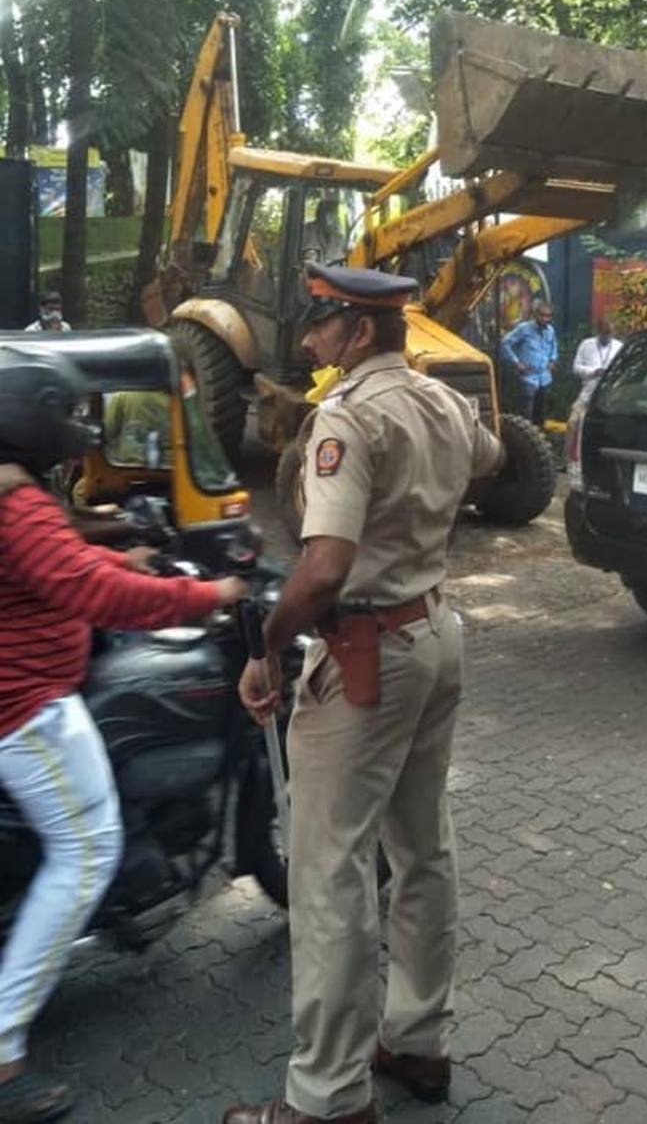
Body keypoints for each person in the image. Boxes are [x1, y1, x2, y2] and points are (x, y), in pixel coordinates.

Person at [223, 262, 504, 1124]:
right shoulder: (441, 401)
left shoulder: (346, 417)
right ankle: (418, 1039)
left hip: (366, 656)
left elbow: (325, 567)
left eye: (321, 323)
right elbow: (491, 461)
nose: (310, 340)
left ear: (360, 331)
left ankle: (327, 1095)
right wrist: (419, 513)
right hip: (435, 636)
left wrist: (270, 646)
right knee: (423, 849)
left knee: (328, 868)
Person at [0, 345, 245, 1124]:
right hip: (25, 706)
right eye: (66, 415)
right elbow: (88, 589)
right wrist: (206, 593)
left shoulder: (16, 491)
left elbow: (58, 562)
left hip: (29, 690)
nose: (76, 429)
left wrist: (120, 550)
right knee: (87, 850)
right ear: (31, 418)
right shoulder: (15, 501)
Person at [500, 298, 558, 425]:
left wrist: (552, 360)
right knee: (526, 415)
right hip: (528, 377)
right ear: (535, 314)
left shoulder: (550, 331)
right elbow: (505, 343)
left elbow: (554, 347)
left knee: (541, 414)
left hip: (545, 377)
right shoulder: (524, 328)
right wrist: (516, 362)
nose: (544, 319)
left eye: (548, 316)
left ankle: (540, 434)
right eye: (542, 315)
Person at [572, 317, 623, 409]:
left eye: (609, 332)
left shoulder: (619, 347)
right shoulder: (586, 344)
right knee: (576, 415)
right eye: (604, 332)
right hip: (588, 393)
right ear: (598, 332)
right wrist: (593, 372)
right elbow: (576, 368)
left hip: (611, 395)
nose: (607, 336)